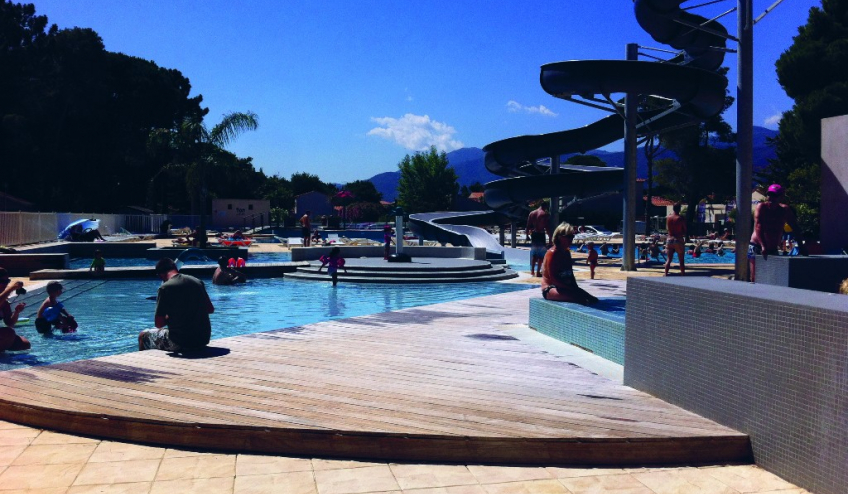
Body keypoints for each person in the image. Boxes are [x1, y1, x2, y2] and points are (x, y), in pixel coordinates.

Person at [138, 258, 214, 352]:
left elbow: (159, 323)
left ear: (160, 275)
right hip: (203, 339)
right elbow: (210, 309)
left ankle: (143, 359)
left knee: (143, 335)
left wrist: (170, 316)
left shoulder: (165, 288)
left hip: (180, 342)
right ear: (175, 267)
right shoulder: (197, 281)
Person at [749, 184, 806, 281]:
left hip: (772, 248)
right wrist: (763, 246)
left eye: (775, 196)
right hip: (757, 246)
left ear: (781, 197)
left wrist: (801, 246)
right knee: (755, 277)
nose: (771, 198)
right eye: (769, 195)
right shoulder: (761, 207)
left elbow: (795, 227)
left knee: (772, 278)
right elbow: (758, 227)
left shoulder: (784, 210)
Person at [540, 223, 599, 305]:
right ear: (559, 237)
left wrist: (575, 288)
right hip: (551, 288)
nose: (571, 239)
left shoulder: (567, 252)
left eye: (572, 237)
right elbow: (554, 279)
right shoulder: (553, 253)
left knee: (593, 300)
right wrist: (572, 289)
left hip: (565, 287)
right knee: (579, 299)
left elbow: (570, 275)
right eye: (569, 237)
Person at [0, 269, 31, 352]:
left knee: (24, 344)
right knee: (9, 333)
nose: (5, 284)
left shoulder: (5, 303)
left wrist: (16, 312)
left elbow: (9, 323)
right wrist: (11, 288)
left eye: (7, 281)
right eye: (2, 281)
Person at [526, 201, 552, 277]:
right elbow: (547, 227)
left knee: (534, 254)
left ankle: (532, 271)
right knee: (541, 255)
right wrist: (550, 238)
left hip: (534, 234)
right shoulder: (544, 214)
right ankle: (538, 272)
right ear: (545, 207)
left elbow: (528, 226)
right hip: (541, 234)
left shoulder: (532, 213)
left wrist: (527, 236)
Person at [664, 203, 687, 276]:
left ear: (673, 208)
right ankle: (683, 274)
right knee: (681, 259)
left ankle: (666, 273)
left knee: (669, 259)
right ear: (679, 209)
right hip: (678, 239)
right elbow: (685, 229)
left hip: (669, 239)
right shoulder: (680, 218)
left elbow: (668, 228)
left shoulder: (668, 217)